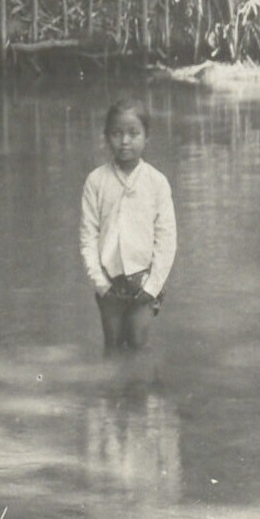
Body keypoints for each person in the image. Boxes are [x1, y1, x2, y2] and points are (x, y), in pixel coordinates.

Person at [79, 98, 175, 353]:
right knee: (112, 345)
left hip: (144, 279)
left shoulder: (157, 182)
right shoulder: (96, 181)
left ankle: (141, 380)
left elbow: (166, 240)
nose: (124, 141)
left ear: (147, 137)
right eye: (116, 133)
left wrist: (153, 286)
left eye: (133, 133)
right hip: (108, 279)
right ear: (106, 136)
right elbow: (88, 237)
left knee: (138, 344)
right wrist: (100, 283)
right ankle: (112, 381)